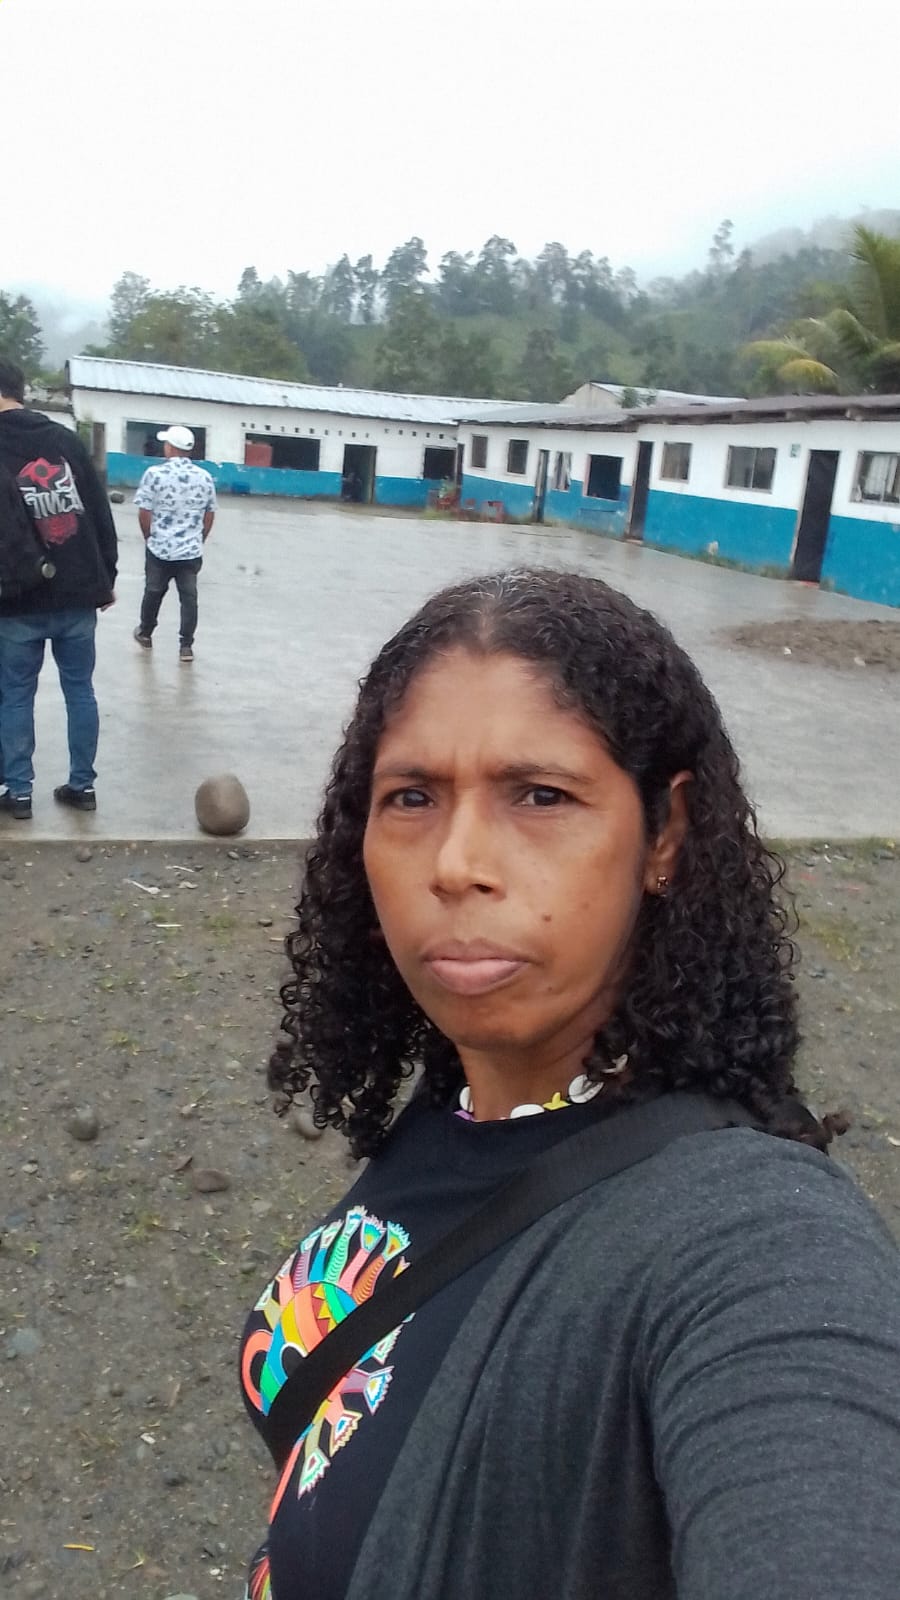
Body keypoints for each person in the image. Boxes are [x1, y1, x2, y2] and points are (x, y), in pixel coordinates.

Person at [241, 569, 900, 1600]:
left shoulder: (758, 1244)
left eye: (541, 795)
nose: (455, 863)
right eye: (411, 797)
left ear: (666, 834)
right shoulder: (463, 1098)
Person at [0, 355, 117, 821]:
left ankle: (18, 793)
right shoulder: (64, 440)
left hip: (16, 599)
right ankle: (82, 786)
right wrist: (106, 578)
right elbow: (99, 513)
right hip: (77, 593)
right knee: (80, 691)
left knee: (14, 695)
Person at [132, 424, 215, 663]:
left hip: (159, 548)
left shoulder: (154, 474)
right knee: (189, 598)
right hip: (190, 551)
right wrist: (199, 539)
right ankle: (186, 646)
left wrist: (149, 537)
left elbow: (144, 511)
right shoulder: (205, 477)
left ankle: (145, 633)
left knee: (153, 592)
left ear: (171, 447)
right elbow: (209, 513)